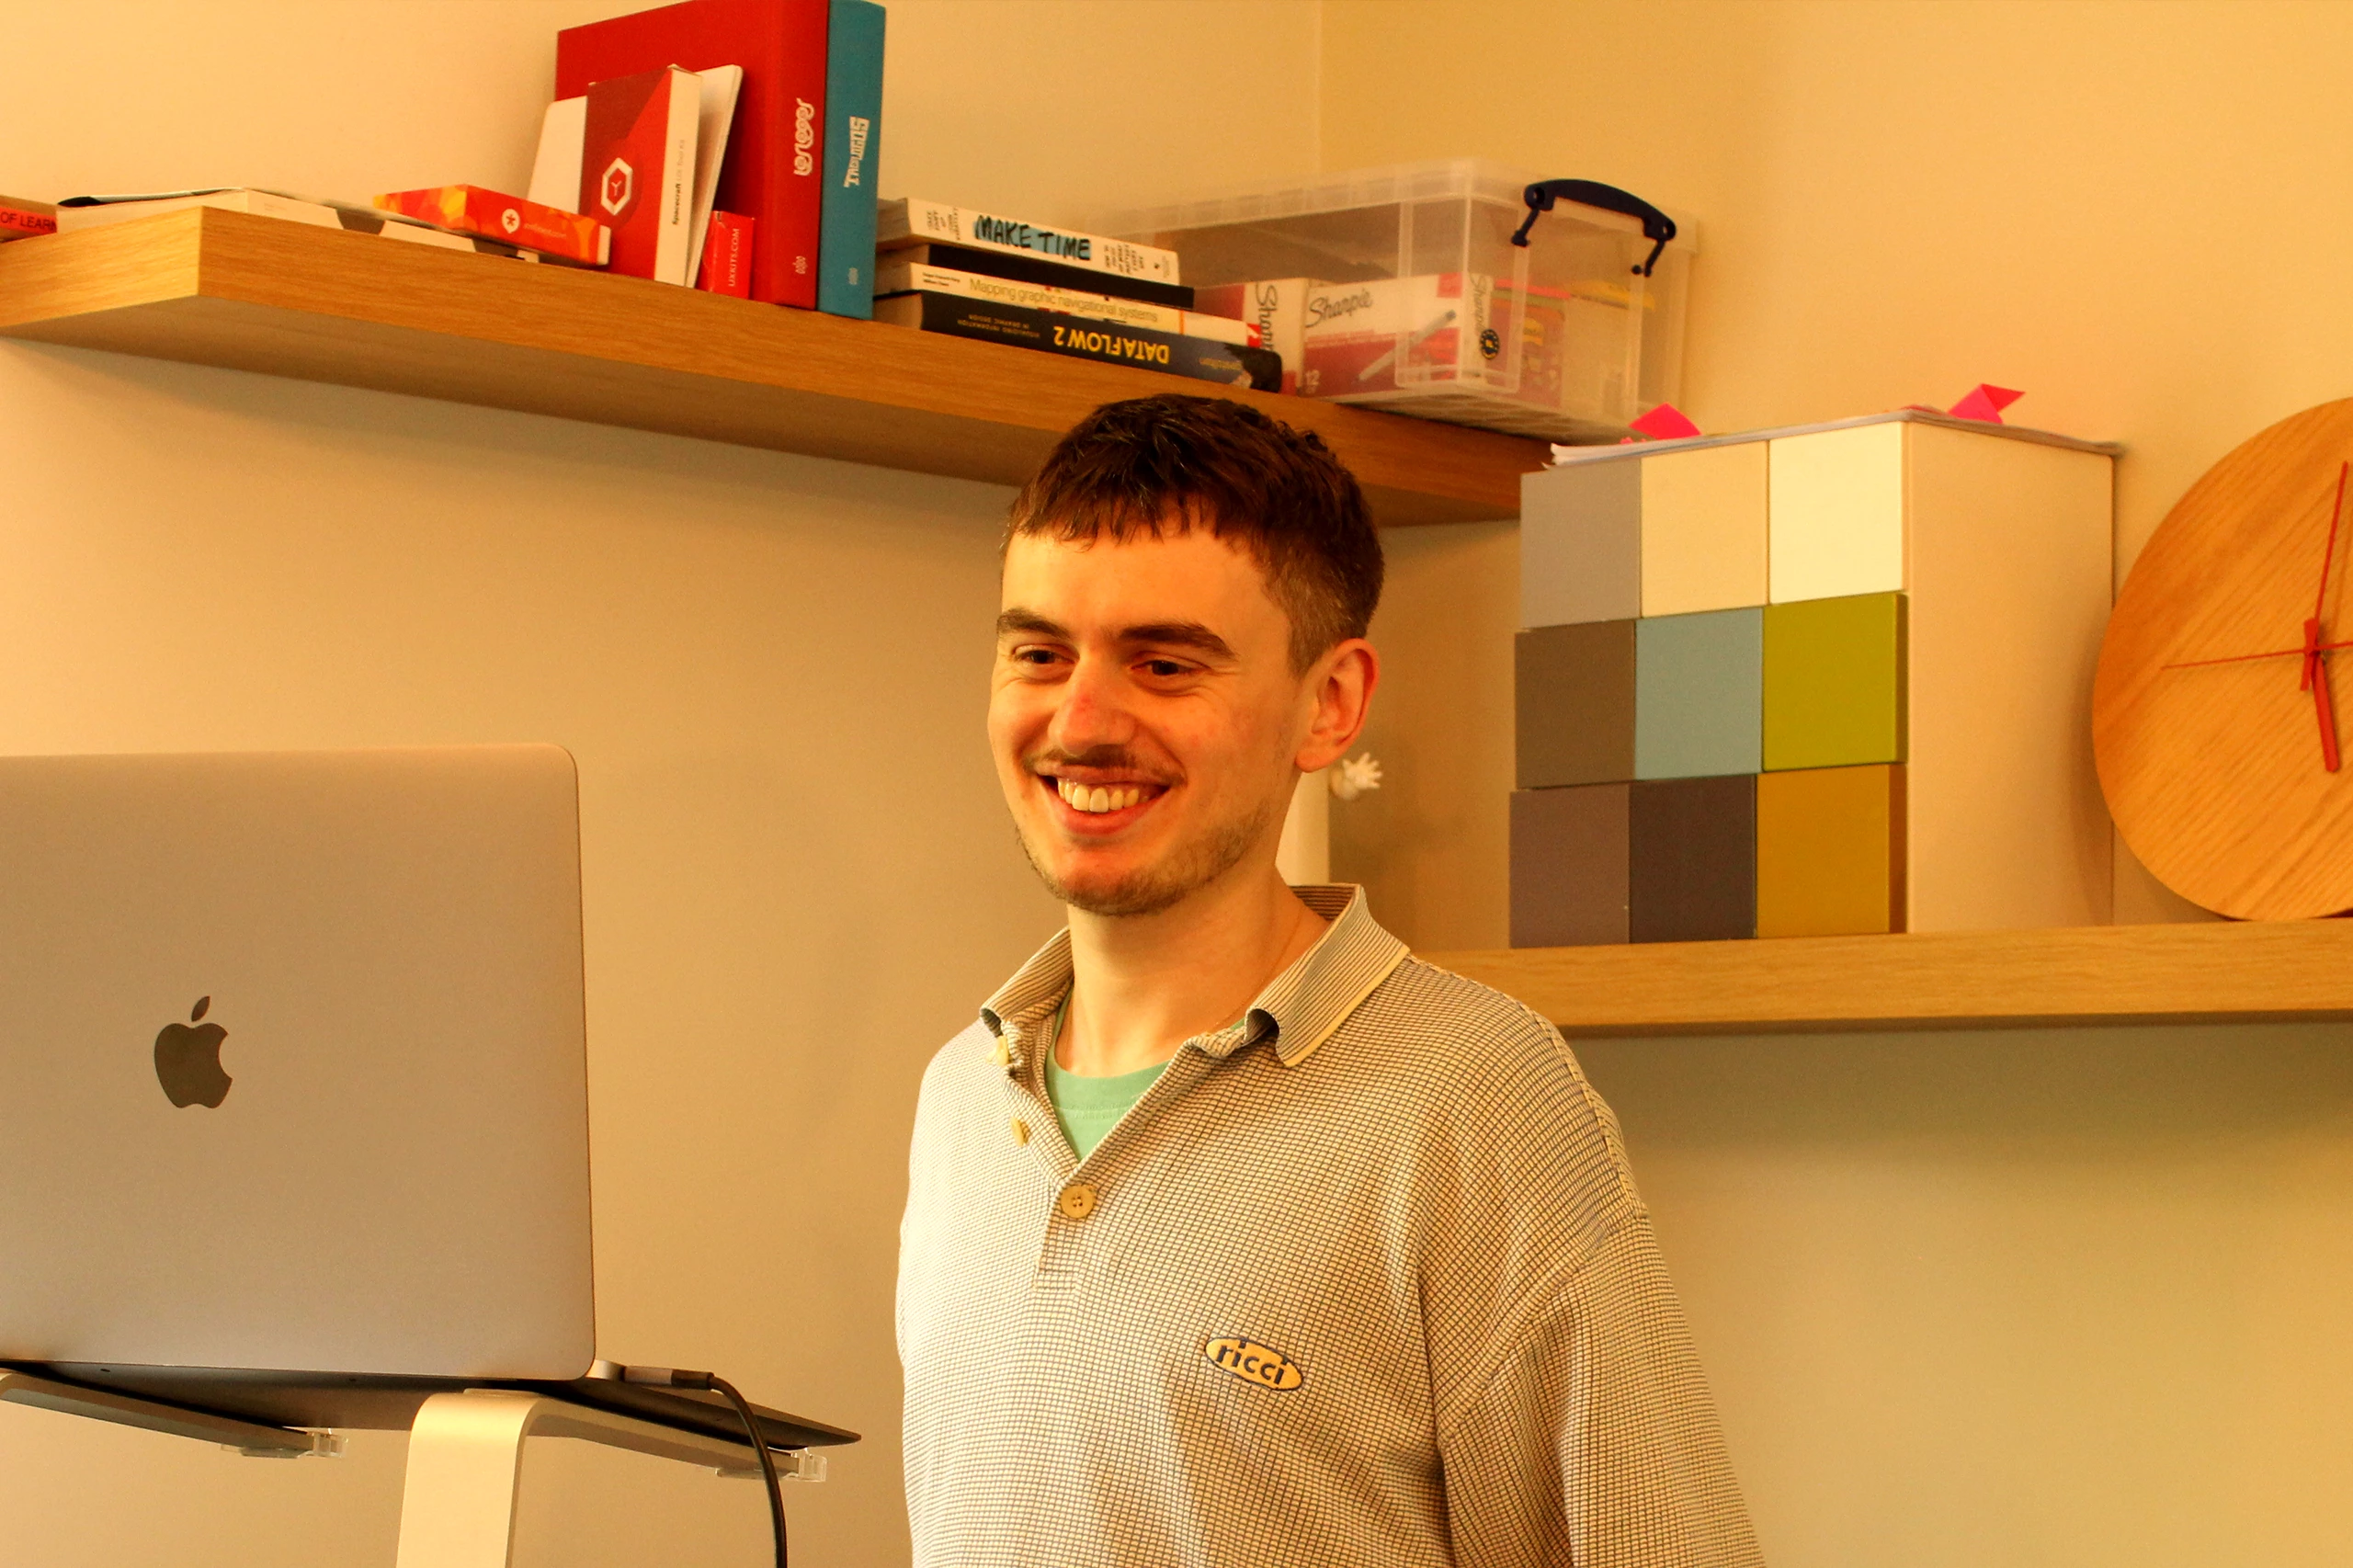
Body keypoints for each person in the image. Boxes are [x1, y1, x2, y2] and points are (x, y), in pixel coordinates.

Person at [897, 393, 1759, 1568]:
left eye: (1163, 662)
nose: (1081, 718)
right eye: (1038, 653)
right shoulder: (961, 1099)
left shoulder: (1472, 1098)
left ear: (1330, 704)